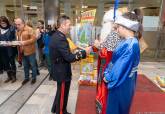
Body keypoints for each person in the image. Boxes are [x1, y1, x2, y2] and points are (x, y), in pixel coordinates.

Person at [49, 15, 90, 114]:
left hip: (60, 68)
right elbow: (69, 57)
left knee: (60, 90)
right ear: (62, 25)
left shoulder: (58, 35)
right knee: (63, 92)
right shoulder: (60, 38)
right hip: (61, 71)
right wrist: (84, 53)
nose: (70, 27)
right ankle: (61, 111)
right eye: (69, 25)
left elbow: (65, 54)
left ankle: (55, 108)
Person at [103, 12, 141, 114]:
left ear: (125, 27)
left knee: (116, 109)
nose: (117, 29)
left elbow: (119, 69)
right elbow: (115, 63)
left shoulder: (130, 45)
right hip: (124, 82)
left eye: (118, 26)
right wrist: (108, 71)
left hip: (121, 84)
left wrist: (107, 76)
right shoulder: (128, 42)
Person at [15, 18, 37, 85]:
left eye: (19, 24)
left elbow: (34, 39)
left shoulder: (30, 29)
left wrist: (24, 42)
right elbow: (19, 40)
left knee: (33, 65)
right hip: (22, 51)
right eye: (16, 24)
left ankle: (34, 78)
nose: (17, 26)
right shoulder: (18, 31)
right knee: (25, 66)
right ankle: (26, 78)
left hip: (30, 51)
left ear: (23, 23)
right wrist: (16, 43)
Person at [0, 16, 17, 83]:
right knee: (5, 63)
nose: (3, 24)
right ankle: (9, 76)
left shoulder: (11, 28)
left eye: (4, 23)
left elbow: (15, 38)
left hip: (10, 49)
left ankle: (14, 76)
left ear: (7, 22)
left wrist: (10, 42)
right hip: (2, 49)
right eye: (1, 23)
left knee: (12, 62)